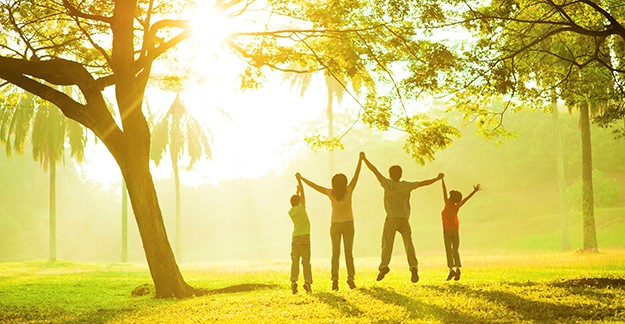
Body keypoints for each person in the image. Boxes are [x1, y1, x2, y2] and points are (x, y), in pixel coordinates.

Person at [361, 152, 443, 283]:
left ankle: (384, 266)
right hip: (404, 218)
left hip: (391, 218)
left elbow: (374, 171)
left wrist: (365, 159)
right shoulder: (406, 185)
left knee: (387, 243)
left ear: (390, 174)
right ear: (400, 175)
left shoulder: (387, 184)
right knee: (408, 243)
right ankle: (413, 267)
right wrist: (437, 178)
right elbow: (423, 183)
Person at [297, 154, 363, 291]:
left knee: (335, 253)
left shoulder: (330, 193)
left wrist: (301, 179)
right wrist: (360, 160)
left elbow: (315, 186)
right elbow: (356, 175)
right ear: (345, 182)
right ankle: (351, 278)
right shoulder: (349, 190)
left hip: (335, 225)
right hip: (348, 223)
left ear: (333, 183)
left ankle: (334, 280)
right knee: (348, 252)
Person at [440, 177, 481, 281]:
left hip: (447, 231)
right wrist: (474, 191)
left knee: (448, 250)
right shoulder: (457, 206)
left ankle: (451, 270)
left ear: (450, 198)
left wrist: (442, 180)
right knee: (455, 250)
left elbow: (444, 191)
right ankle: (457, 269)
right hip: (455, 231)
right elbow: (466, 199)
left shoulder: (447, 204)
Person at [288, 175, 312, 294]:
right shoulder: (302, 208)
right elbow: (303, 194)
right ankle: (307, 282)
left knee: (295, 261)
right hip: (305, 237)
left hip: (295, 237)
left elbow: (296, 200)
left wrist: (296, 192)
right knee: (306, 262)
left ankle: (293, 281)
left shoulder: (291, 212)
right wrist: (299, 180)